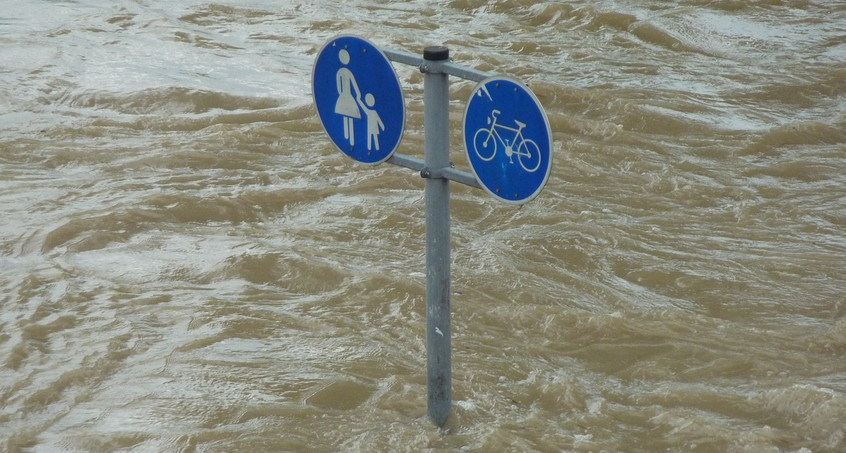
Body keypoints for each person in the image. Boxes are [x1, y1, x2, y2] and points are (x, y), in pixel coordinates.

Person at [334, 49, 361, 146]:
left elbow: (353, 84)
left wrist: (357, 93)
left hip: (345, 96)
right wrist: (357, 94)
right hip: (346, 96)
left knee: (348, 115)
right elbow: (340, 85)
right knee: (347, 115)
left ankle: (350, 140)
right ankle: (348, 139)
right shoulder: (342, 72)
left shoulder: (343, 72)